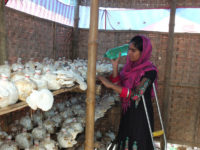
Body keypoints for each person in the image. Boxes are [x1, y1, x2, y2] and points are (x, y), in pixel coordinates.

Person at [98, 35, 157, 150]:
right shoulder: (128, 68)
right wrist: (115, 67)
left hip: (141, 116)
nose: (129, 53)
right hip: (128, 112)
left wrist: (110, 85)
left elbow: (136, 95)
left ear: (143, 52)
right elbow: (121, 87)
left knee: (138, 142)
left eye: (133, 50)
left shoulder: (150, 71)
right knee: (125, 141)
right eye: (128, 49)